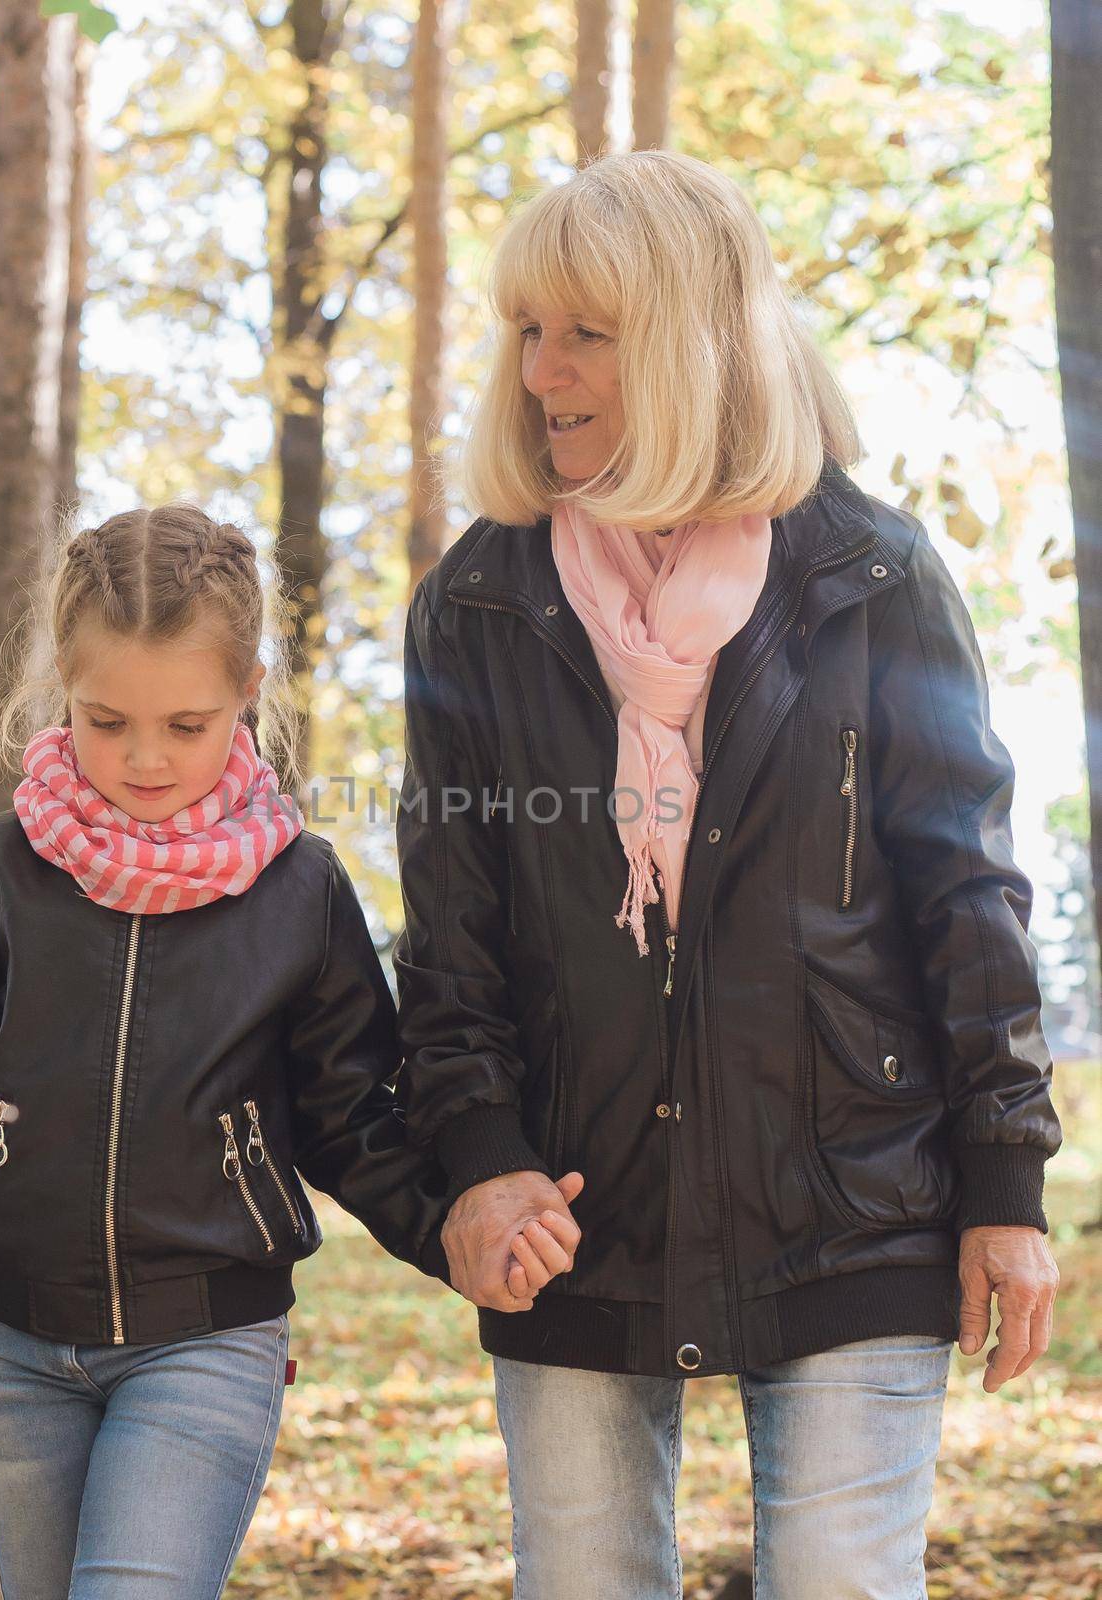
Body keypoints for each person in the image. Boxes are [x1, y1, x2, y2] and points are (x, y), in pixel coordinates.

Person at [393, 150, 1063, 1599]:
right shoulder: (475, 604)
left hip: (856, 1201)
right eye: (525, 331)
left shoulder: (871, 577)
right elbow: (450, 936)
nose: (540, 371)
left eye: (587, 334)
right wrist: (480, 1157)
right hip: (572, 1210)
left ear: (695, 343)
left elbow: (964, 894)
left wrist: (1003, 1179)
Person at [0, 503, 577, 1599]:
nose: (142, 758)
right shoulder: (0, 873)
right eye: (103, 721)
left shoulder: (300, 887)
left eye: (186, 724)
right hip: (11, 1347)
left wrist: (455, 1230)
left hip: (207, 1342)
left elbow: (351, 1116)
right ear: (61, 694)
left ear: (248, 691)